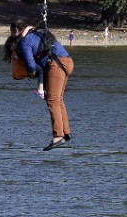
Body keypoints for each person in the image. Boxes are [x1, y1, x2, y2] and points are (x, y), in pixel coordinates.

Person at [6, 17, 75, 151]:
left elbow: (31, 66)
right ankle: (65, 132)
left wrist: (32, 74)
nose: (11, 35)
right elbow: (28, 30)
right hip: (67, 61)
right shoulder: (36, 32)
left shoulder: (25, 42)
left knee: (52, 100)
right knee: (58, 99)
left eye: (11, 32)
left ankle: (58, 135)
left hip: (56, 64)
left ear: (15, 30)